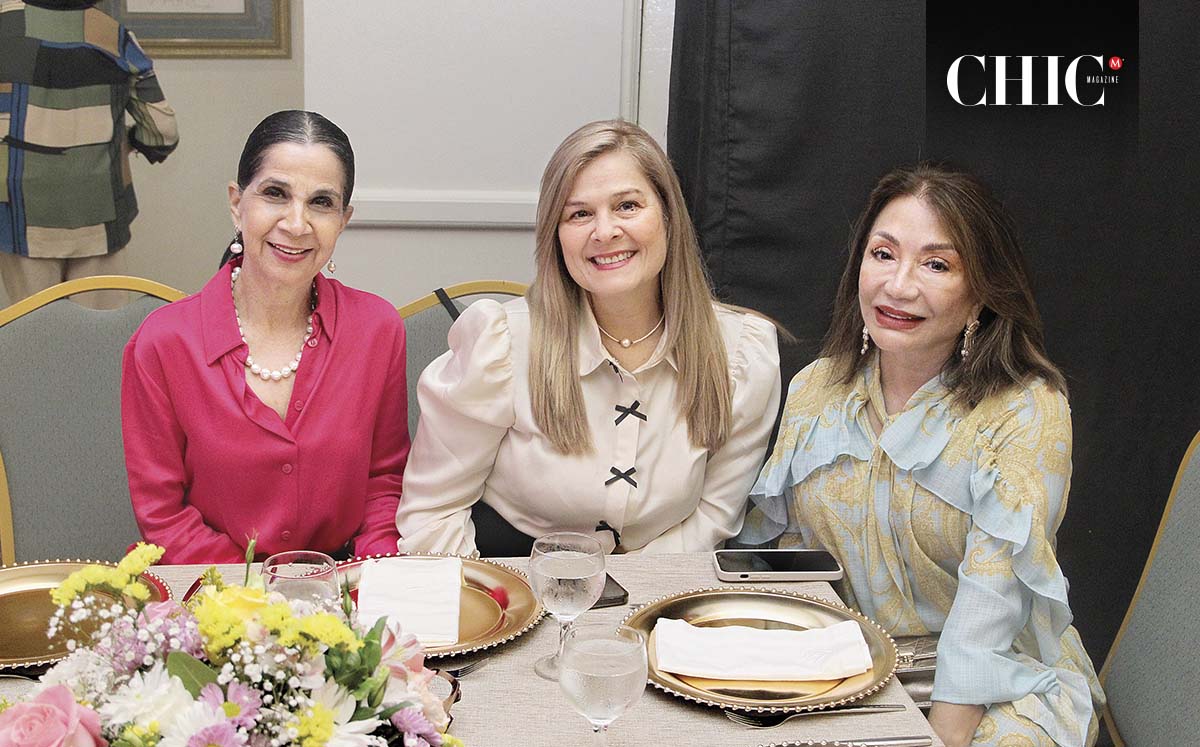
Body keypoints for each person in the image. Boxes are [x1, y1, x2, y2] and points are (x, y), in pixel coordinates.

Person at [739, 164, 1104, 747]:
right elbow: (789, 558)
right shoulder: (816, 389)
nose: (899, 285)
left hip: (994, 686)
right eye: (883, 254)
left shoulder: (1026, 409)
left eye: (936, 265)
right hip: (848, 670)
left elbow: (991, 606)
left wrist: (939, 741)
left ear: (982, 291)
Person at [397, 119, 780, 556]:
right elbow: (432, 513)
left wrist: (629, 609)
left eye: (627, 206)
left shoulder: (743, 353)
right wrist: (499, 608)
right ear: (556, 236)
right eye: (579, 214)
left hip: (659, 598)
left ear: (669, 216)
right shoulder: (500, 344)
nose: (605, 231)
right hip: (511, 585)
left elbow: (714, 516)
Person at [121, 110, 408, 564]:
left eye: (321, 202)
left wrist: (368, 578)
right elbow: (163, 516)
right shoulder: (162, 343)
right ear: (237, 203)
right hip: (215, 596)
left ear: (344, 219)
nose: (297, 224)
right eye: (276, 194)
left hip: (348, 590)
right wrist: (264, 596)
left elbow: (385, 480)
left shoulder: (377, 329)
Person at [0, 0, 178, 309]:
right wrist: (130, 141)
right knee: (99, 340)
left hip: (20, 210)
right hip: (99, 209)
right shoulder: (113, 35)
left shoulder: (5, 25)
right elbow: (163, 132)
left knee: (32, 336)